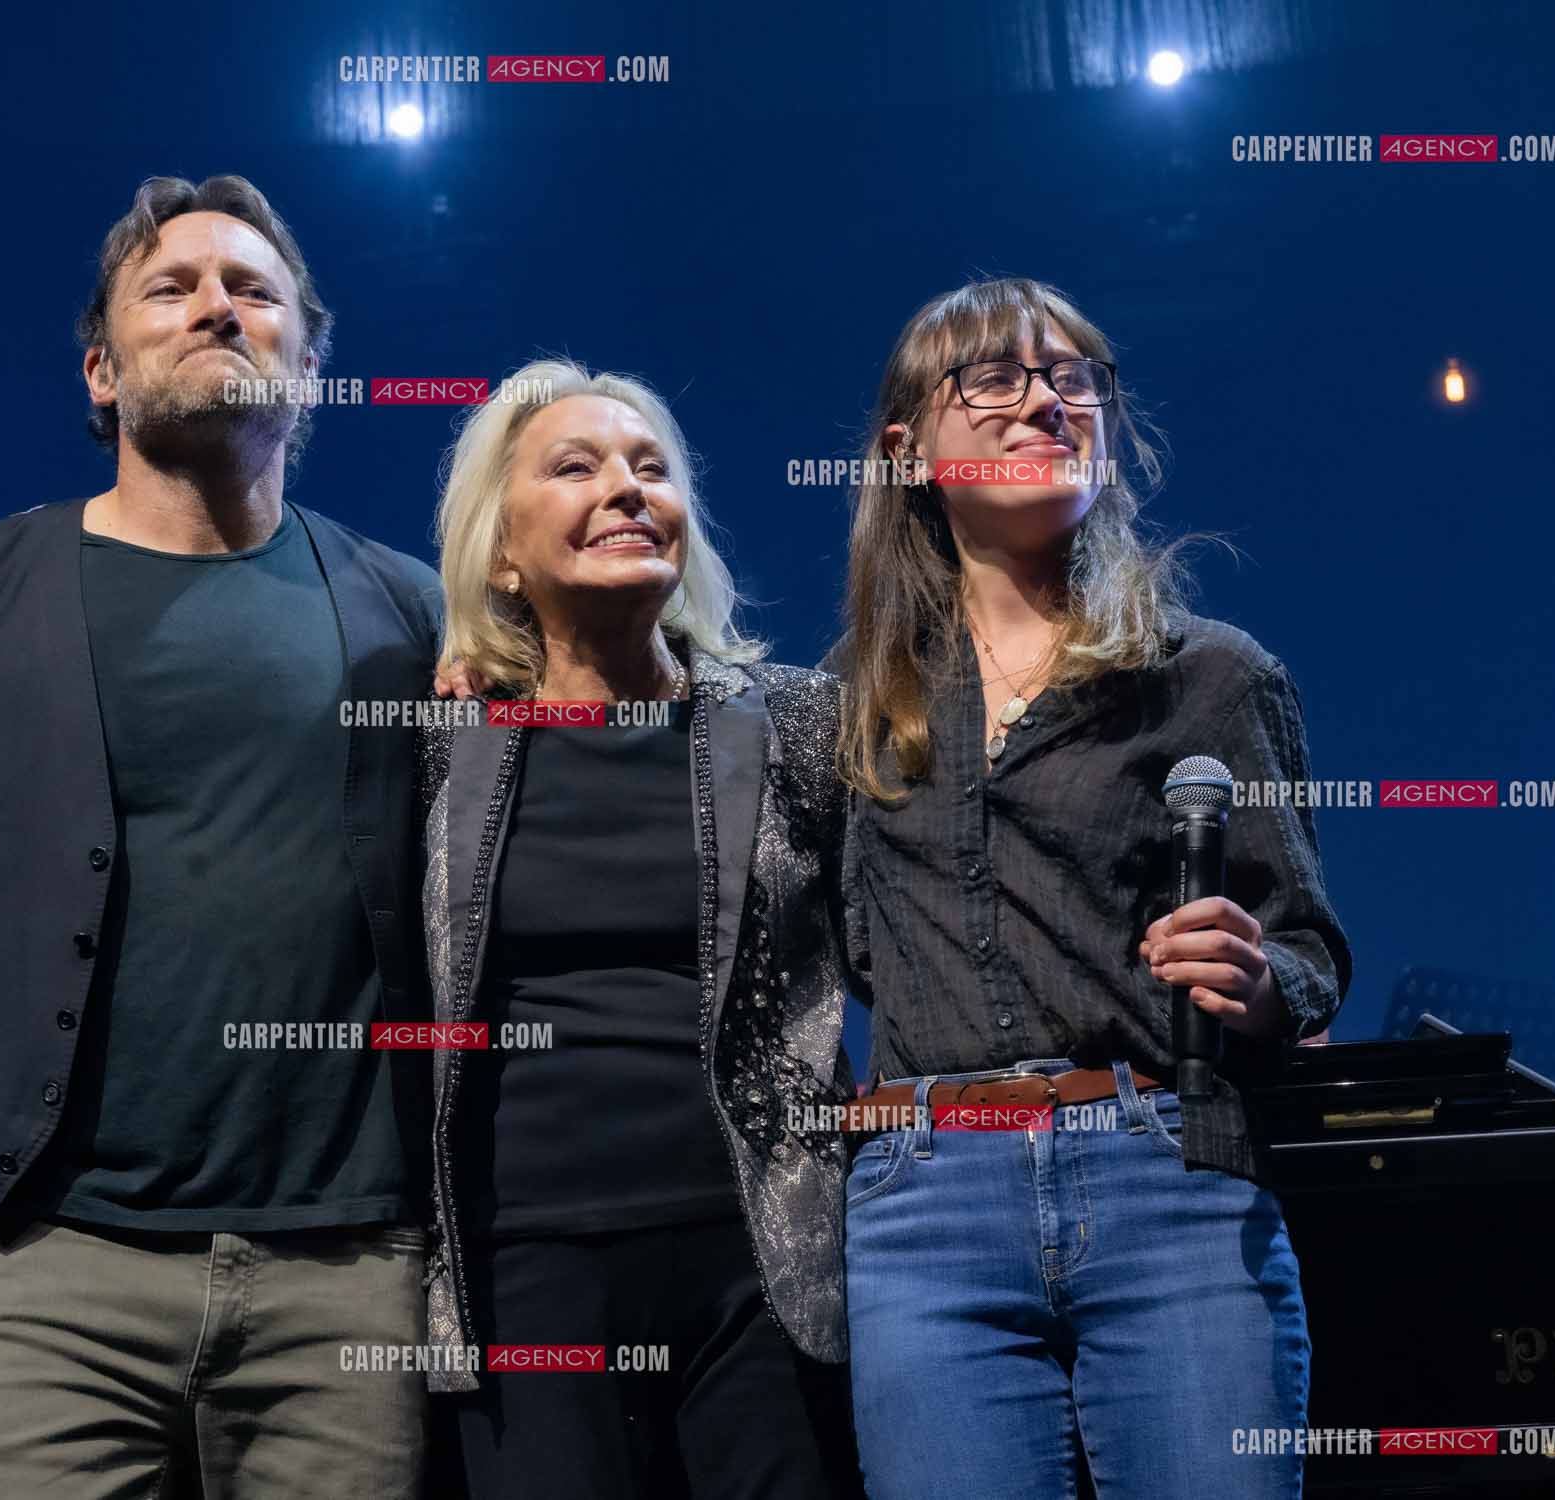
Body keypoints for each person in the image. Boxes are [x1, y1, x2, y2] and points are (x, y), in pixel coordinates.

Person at [0, 174, 443, 1499]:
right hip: (42, 1269)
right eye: (175, 287)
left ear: (310, 370)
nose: (219, 306)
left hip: (348, 1276)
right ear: (101, 372)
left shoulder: (410, 614)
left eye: (254, 291)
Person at [825, 276, 1350, 1497]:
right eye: (996, 380)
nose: (1045, 407)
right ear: (908, 450)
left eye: (1072, 382)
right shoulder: (853, 701)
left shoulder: (1208, 677)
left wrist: (1259, 983)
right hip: (925, 1213)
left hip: (1167, 1180)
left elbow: (1308, 945)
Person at [421, 360, 862, 1499]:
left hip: (765, 1260)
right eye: (575, 467)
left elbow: (900, 942)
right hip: (526, 1262)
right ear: (502, 552)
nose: (625, 489)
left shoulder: (796, 724)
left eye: (649, 469)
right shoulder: (441, 741)